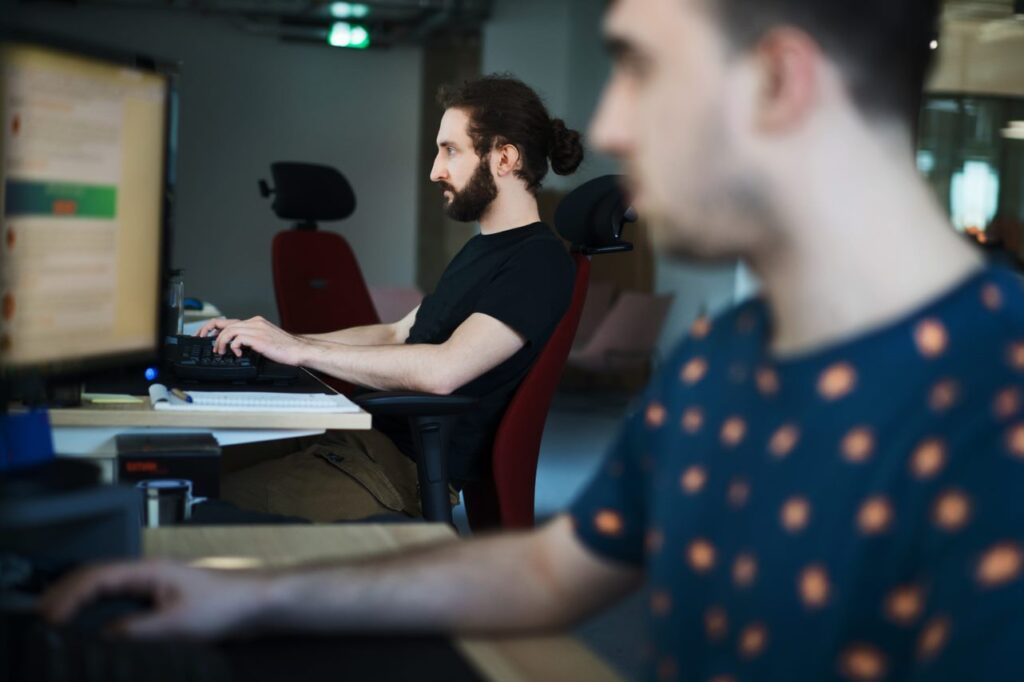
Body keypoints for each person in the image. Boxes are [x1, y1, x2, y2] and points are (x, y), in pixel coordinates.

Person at [42, 0, 1024, 679]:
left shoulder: (995, 398)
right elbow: (552, 567)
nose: (608, 122)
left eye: (639, 68)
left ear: (777, 81)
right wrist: (253, 599)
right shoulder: (723, 368)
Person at [204, 75, 583, 521]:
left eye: (451, 150)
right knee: (186, 458)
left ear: (504, 157)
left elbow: (445, 371)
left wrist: (299, 350)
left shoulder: (537, 263)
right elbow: (396, 331)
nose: (435, 169)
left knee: (194, 495)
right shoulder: (484, 249)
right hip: (357, 441)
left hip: (394, 472)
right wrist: (275, 340)